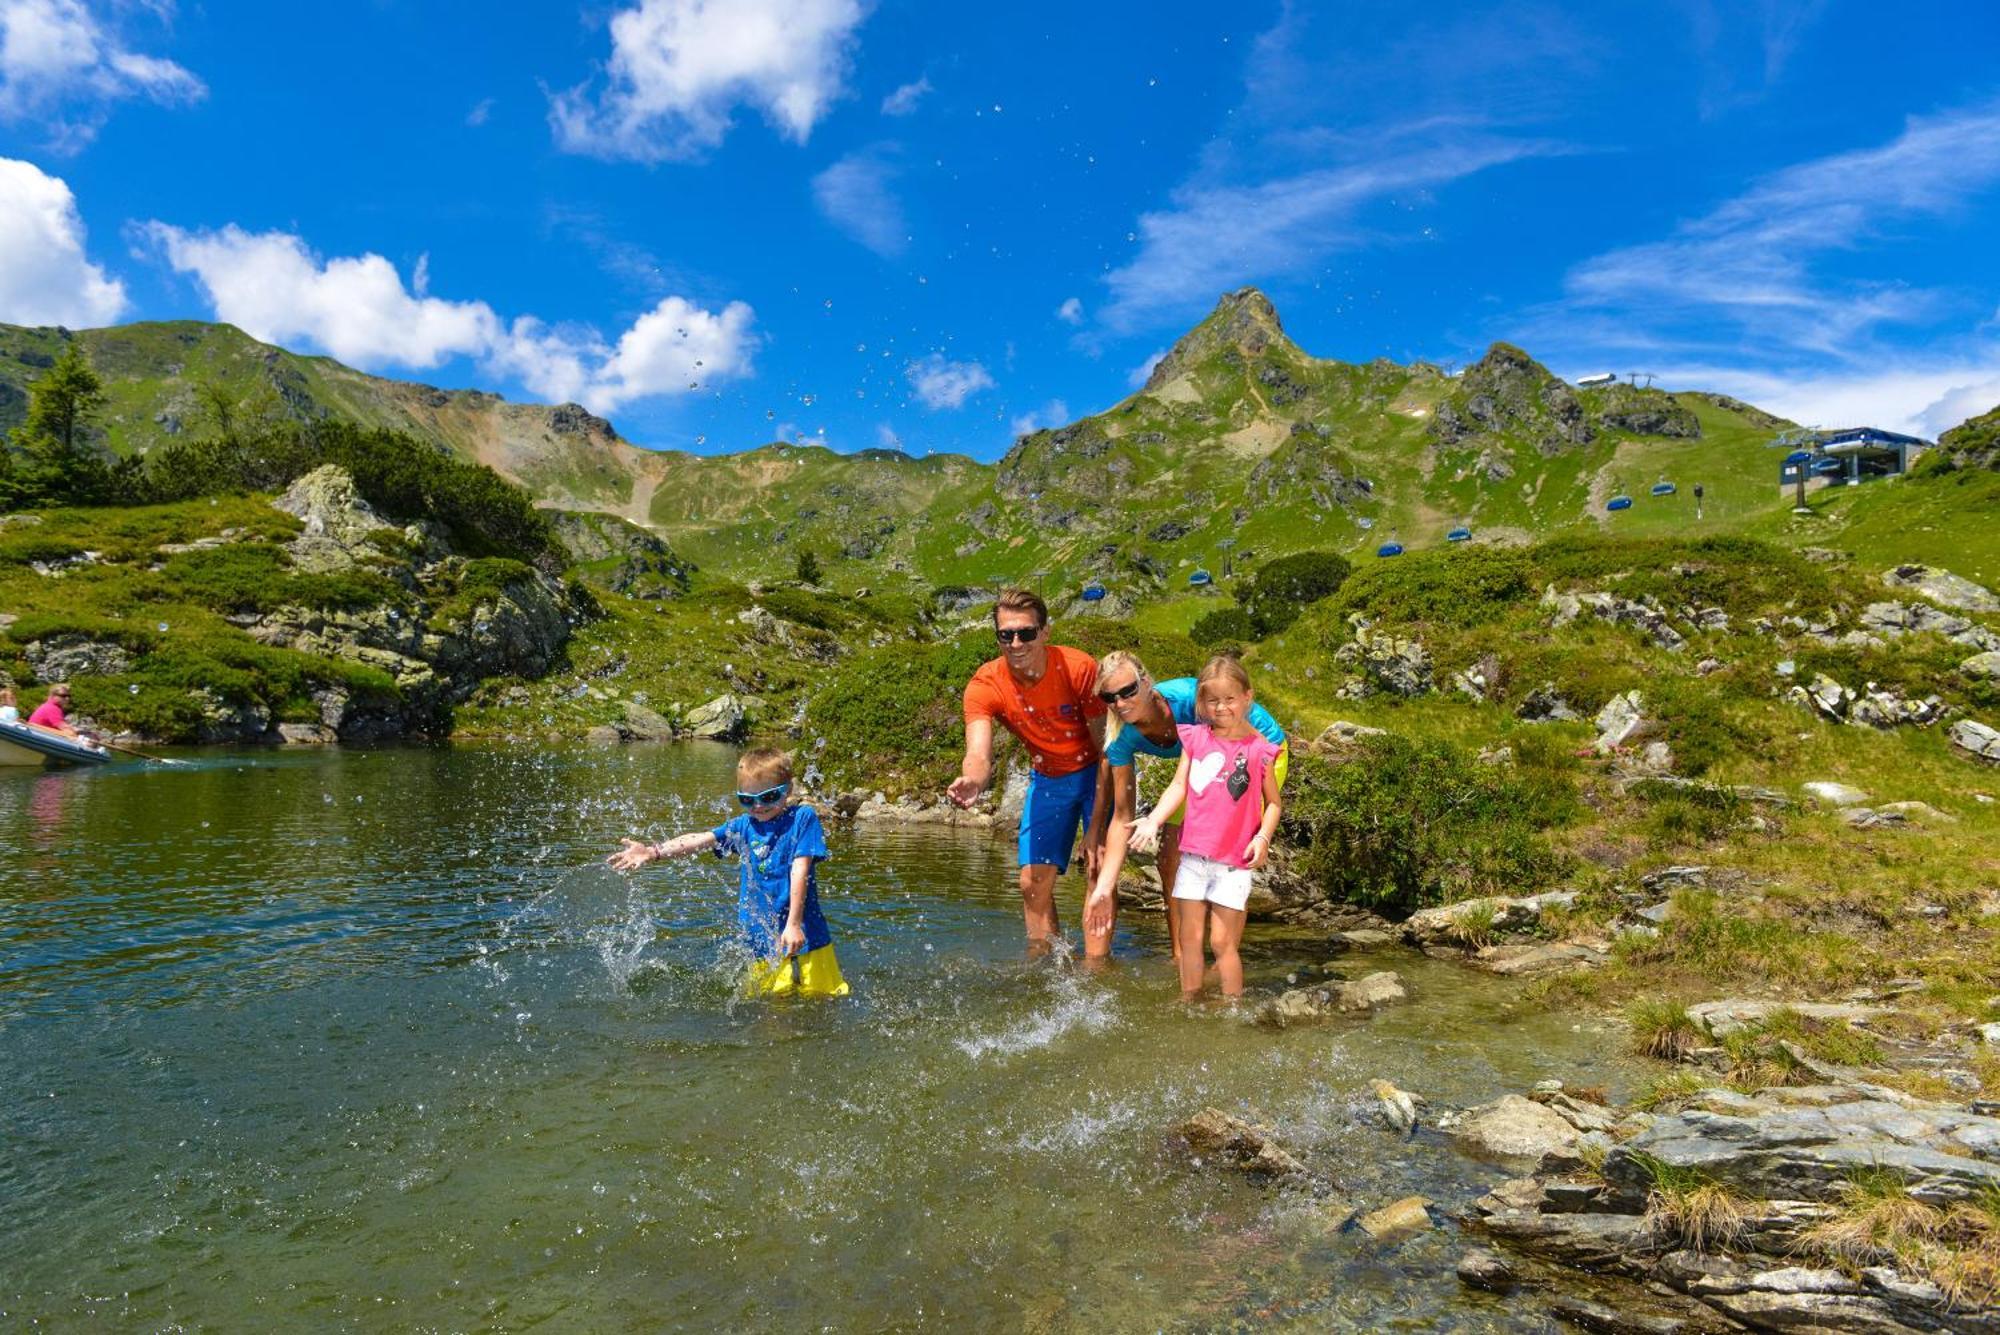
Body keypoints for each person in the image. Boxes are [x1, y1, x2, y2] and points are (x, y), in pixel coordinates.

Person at [1084, 651, 1287, 958]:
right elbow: (1122, 816)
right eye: (1109, 697)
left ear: (1147, 683)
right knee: (1168, 857)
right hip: (1207, 764)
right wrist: (1103, 886)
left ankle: (1224, 954)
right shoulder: (1121, 738)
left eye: (1128, 691)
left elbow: (1241, 739)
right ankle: (1183, 956)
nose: (1120, 704)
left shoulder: (1189, 702)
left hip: (1261, 750)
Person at [607, 747, 849, 998]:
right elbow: (700, 839)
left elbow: (801, 869)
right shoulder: (743, 826)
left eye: (768, 797)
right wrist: (652, 851)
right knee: (770, 1005)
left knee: (823, 998)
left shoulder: (802, 818)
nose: (757, 807)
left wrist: (794, 924)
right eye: (747, 800)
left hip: (805, 932)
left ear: (787, 790)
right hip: (761, 937)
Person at [947, 588, 1109, 954]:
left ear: (1045, 632)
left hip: (1097, 774)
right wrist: (973, 780)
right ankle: (1044, 964)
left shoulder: (1079, 668)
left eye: (1026, 633)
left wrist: (1097, 826)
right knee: (1032, 882)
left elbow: (1107, 752)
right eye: (1006, 635)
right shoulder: (985, 684)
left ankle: (1097, 969)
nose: (1016, 643)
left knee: (1099, 870)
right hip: (1049, 776)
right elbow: (977, 752)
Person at [1128, 655, 1284, 1001]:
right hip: (1193, 859)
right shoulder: (1194, 740)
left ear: (1247, 697)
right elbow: (1179, 786)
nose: (1221, 707)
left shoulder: (1259, 749)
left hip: (1233, 862)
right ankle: (1189, 1001)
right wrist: (1154, 819)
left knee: (1222, 942)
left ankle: (1232, 1008)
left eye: (1229, 699)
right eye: (1212, 700)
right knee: (1189, 938)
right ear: (1201, 703)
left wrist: (1263, 838)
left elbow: (1273, 803)